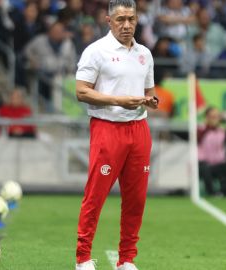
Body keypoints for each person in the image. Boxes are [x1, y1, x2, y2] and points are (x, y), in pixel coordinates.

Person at [74, 1, 158, 269]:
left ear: (137, 20)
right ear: (108, 20)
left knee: (136, 199)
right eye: (120, 19)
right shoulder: (96, 51)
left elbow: (148, 91)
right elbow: (81, 91)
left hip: (139, 129)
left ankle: (127, 260)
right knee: (96, 195)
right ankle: (83, 258)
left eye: (131, 19)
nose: (126, 25)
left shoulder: (145, 53)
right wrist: (117, 101)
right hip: (107, 127)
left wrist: (150, 101)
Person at [197, 107, 226, 196]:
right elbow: (199, 137)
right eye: (213, 116)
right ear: (207, 117)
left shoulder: (222, 130)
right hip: (203, 164)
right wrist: (210, 125)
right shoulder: (201, 129)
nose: (216, 119)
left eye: (217, 116)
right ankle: (212, 193)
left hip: (218, 163)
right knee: (205, 169)